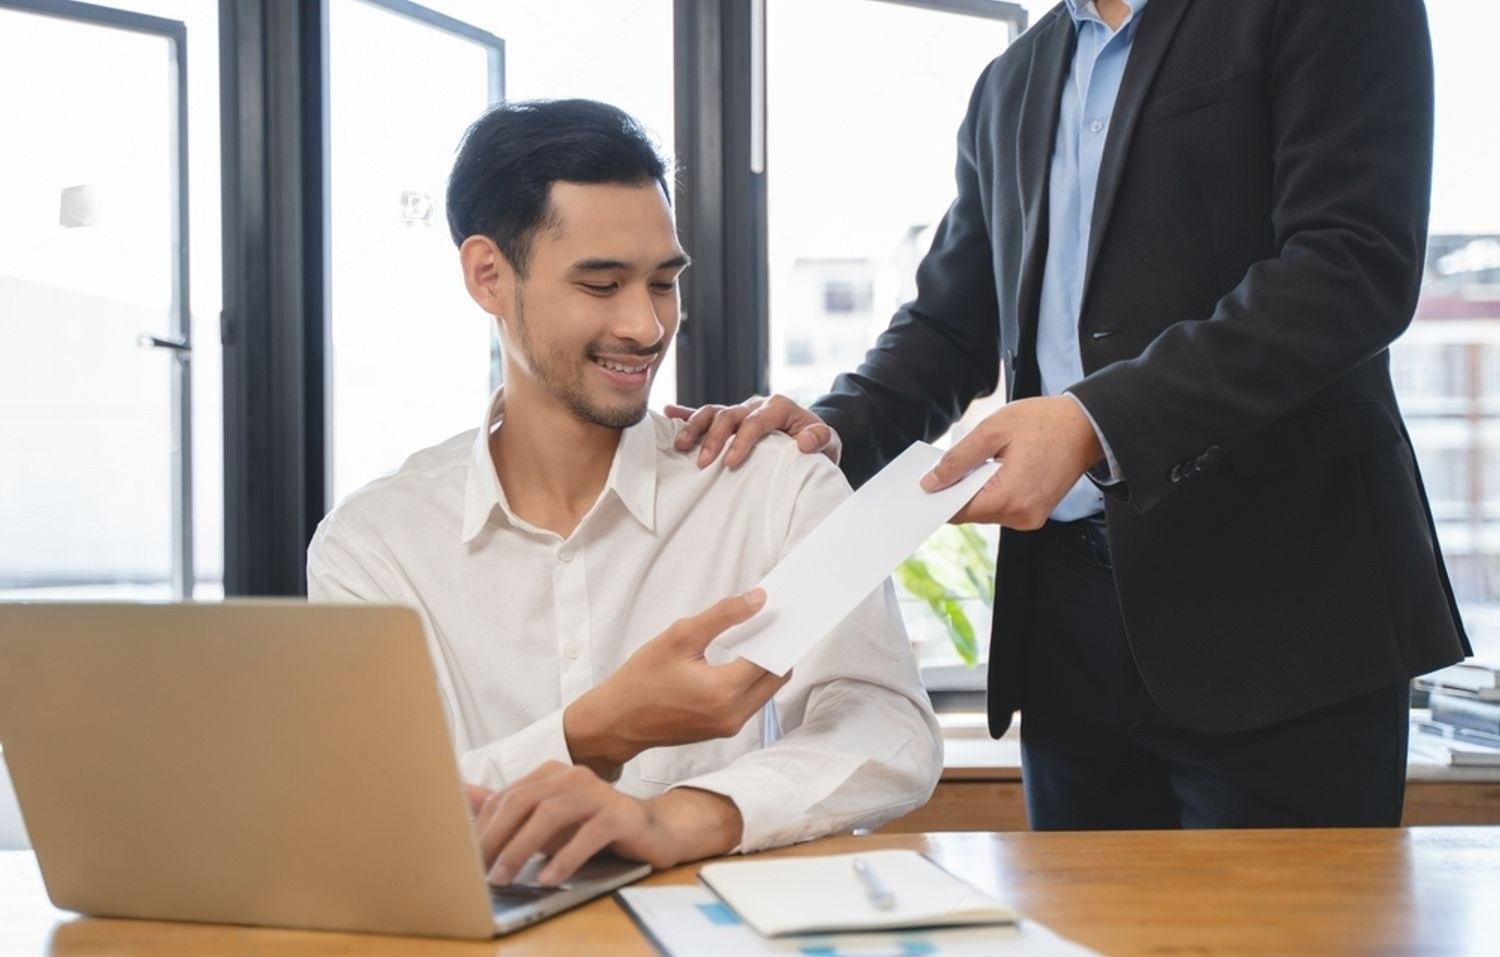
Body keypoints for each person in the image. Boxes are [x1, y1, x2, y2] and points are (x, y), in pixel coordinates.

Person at [671, 0, 1469, 829]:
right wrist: (830, 427)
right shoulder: (1011, 82)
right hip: (1064, 634)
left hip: (1281, 618)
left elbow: (1349, 265)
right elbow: (950, 326)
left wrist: (1095, 419)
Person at [307, 99, 940, 886]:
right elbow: (380, 809)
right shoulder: (373, 545)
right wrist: (599, 728)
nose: (646, 325)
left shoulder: (772, 485)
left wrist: (675, 817)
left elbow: (887, 726)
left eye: (663, 283)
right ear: (488, 275)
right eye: (602, 284)